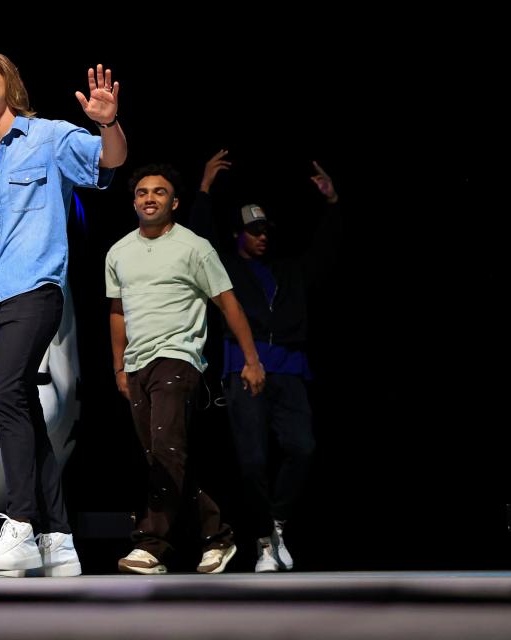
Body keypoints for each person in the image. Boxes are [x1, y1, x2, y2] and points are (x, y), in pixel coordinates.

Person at [0, 49, 127, 576]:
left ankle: (20, 525)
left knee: (2, 396)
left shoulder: (46, 137)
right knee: (21, 409)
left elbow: (108, 162)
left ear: (9, 83)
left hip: (35, 289)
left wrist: (108, 122)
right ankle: (59, 539)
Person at [106, 164, 264, 574]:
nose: (149, 199)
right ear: (134, 201)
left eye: (159, 192)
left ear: (174, 202)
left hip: (179, 358)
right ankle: (217, 537)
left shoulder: (194, 247)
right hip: (137, 363)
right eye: (142, 192)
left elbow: (228, 302)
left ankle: (152, 544)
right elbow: (117, 311)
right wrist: (119, 367)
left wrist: (251, 360)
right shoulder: (119, 251)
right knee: (165, 457)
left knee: (166, 452)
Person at [189, 150, 340, 572]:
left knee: (303, 449)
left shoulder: (290, 270)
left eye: (265, 230)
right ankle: (264, 542)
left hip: (290, 371)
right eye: (253, 231)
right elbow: (199, 239)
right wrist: (203, 188)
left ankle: (274, 522)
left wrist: (331, 203)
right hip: (243, 370)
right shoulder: (227, 269)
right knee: (252, 460)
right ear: (238, 235)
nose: (262, 237)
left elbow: (327, 251)